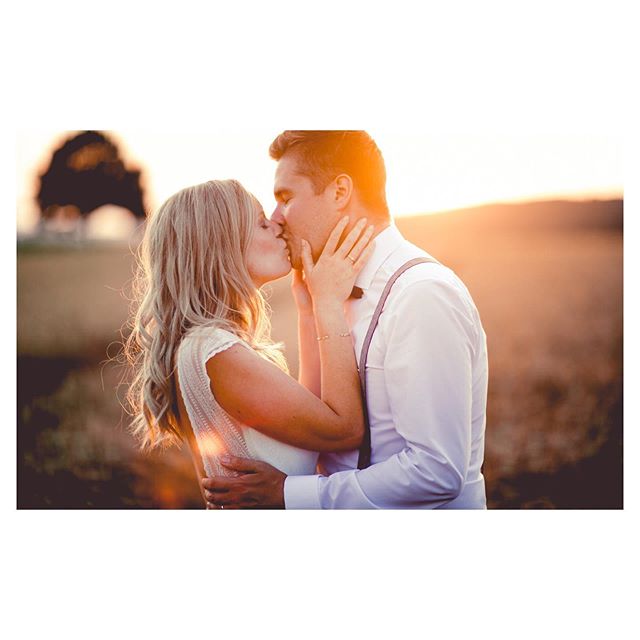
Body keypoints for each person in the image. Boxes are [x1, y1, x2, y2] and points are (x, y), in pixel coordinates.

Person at [202, 130, 489, 509]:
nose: (275, 218)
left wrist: (288, 493)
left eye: (286, 198)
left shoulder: (421, 294)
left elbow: (436, 471)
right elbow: (323, 427)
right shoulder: (330, 294)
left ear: (339, 192)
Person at [123, 178, 376, 501]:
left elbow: (316, 418)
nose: (278, 224)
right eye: (260, 223)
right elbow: (345, 429)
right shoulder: (214, 351)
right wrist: (328, 304)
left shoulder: (204, 344)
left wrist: (309, 308)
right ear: (221, 244)